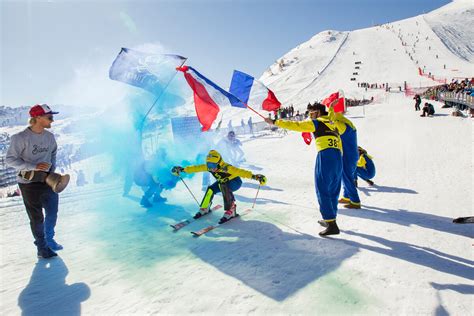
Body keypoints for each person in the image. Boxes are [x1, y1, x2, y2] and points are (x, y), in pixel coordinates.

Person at [264, 103, 343, 236]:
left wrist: (274, 121)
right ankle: (330, 219)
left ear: (317, 112)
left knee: (322, 188)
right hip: (338, 157)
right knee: (333, 189)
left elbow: (296, 126)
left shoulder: (316, 123)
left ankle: (331, 224)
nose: (309, 115)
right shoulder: (332, 124)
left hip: (325, 155)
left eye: (311, 112)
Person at [5, 104, 63, 258]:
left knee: (52, 213)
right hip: (28, 183)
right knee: (37, 217)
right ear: (37, 118)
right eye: (49, 117)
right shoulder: (20, 138)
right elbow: (10, 160)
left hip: (48, 181)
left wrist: (52, 172)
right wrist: (33, 166)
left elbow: (53, 155)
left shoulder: (49, 137)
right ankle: (42, 248)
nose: (52, 120)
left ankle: (48, 240)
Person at [172, 150, 266, 224]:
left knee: (224, 186)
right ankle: (205, 207)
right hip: (222, 182)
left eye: (213, 165)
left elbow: (241, 172)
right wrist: (182, 169)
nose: (211, 167)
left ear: (219, 162)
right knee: (211, 189)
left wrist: (255, 177)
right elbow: (196, 168)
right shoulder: (209, 167)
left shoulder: (226, 168)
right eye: (209, 165)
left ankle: (231, 209)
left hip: (235, 182)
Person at [333, 110, 361, 209]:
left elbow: (333, 123)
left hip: (348, 155)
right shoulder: (349, 125)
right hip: (351, 154)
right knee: (346, 175)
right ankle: (347, 196)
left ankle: (355, 201)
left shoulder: (343, 126)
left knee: (347, 177)